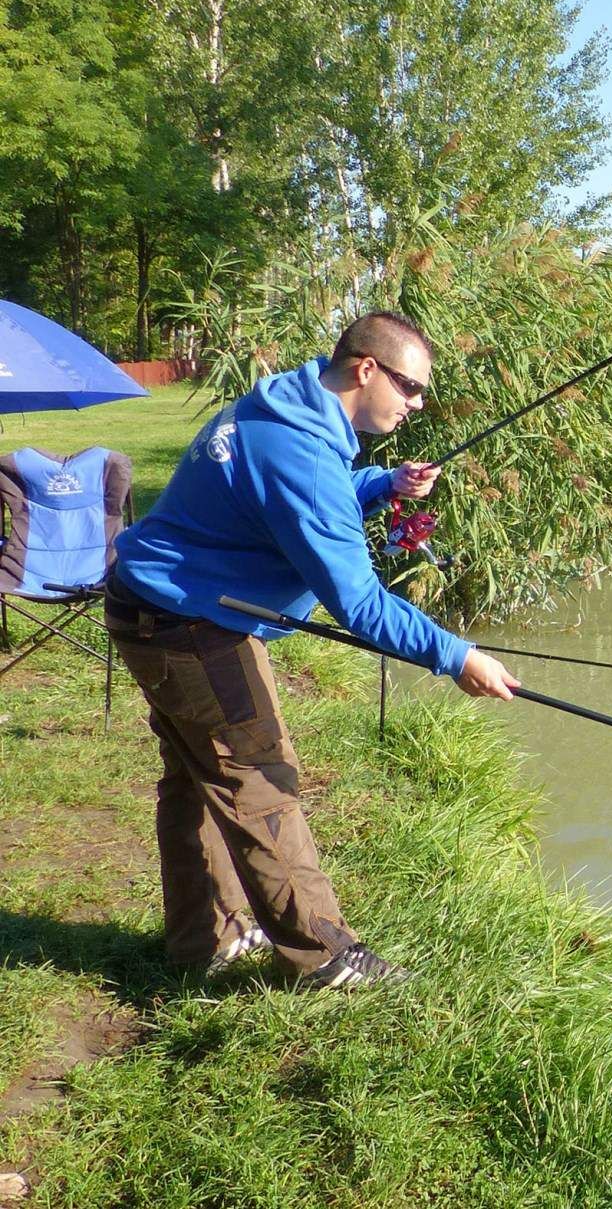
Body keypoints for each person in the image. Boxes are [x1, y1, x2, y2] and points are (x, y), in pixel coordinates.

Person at [104, 311, 519, 989]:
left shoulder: (287, 407)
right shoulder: (301, 450)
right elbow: (359, 603)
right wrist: (457, 655)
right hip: (188, 624)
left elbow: (288, 496)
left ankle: (203, 939)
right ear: (366, 370)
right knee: (260, 778)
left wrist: (383, 484)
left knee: (196, 776)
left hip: (156, 603)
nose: (416, 405)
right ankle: (324, 957)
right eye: (411, 388)